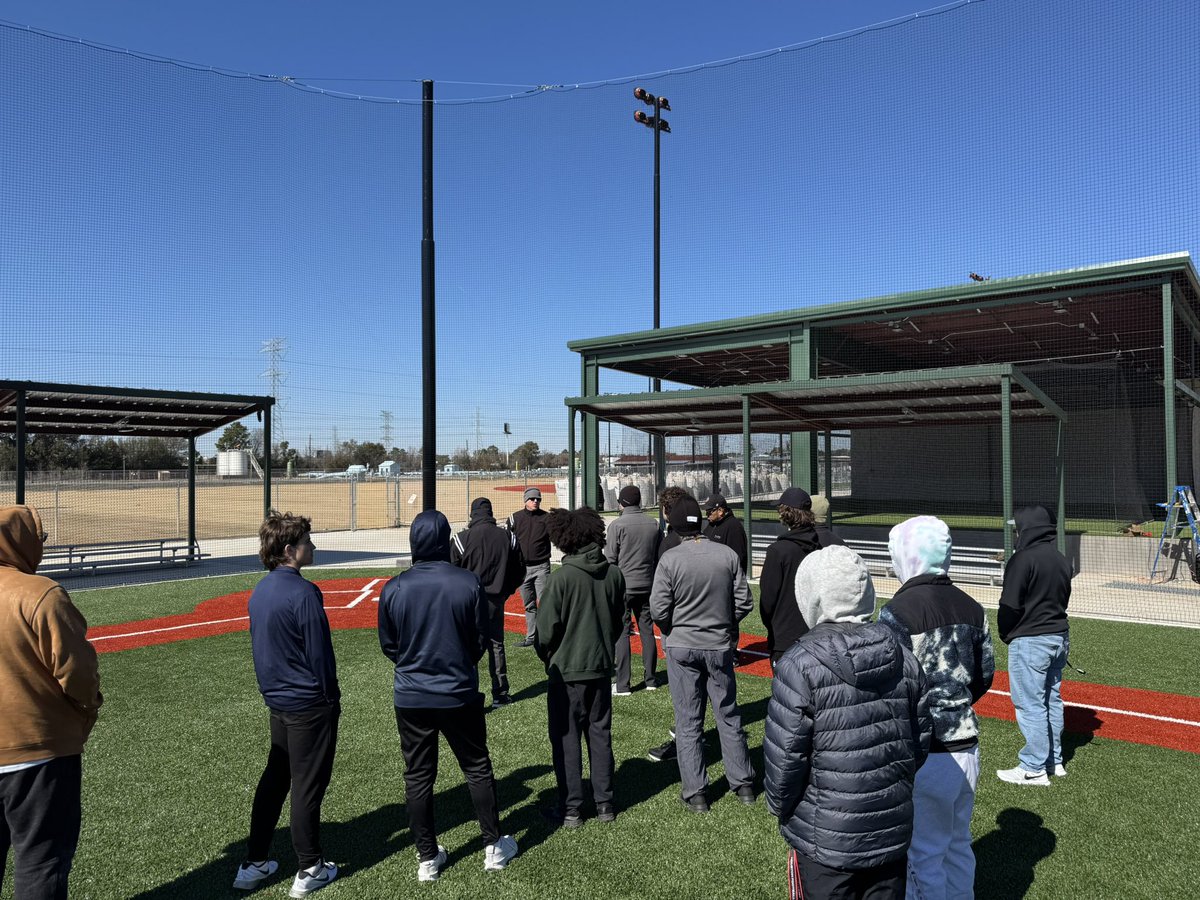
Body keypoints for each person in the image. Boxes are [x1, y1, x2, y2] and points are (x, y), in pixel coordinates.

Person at [766, 545, 931, 900]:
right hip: (888, 831)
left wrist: (782, 808)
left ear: (811, 597)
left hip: (826, 840)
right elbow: (919, 744)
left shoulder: (798, 664)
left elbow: (785, 763)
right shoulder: (903, 655)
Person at [379, 509, 519, 881]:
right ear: (444, 542)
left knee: (419, 776)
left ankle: (427, 856)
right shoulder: (467, 582)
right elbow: (478, 640)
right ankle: (493, 846)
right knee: (476, 767)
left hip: (411, 696)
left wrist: (415, 665)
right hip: (458, 691)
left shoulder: (393, 587)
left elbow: (389, 645)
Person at [879, 515, 995, 900]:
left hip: (924, 751)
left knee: (922, 854)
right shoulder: (974, 609)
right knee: (958, 844)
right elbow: (984, 677)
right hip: (966, 744)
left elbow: (891, 687)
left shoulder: (896, 613)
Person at [235, 511, 340, 897]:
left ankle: (254, 861)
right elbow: (320, 656)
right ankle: (310, 866)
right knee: (306, 786)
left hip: (278, 703)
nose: (313, 547)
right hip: (309, 705)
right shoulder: (304, 593)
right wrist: (331, 698)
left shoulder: (260, 590)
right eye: (308, 542)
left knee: (276, 779)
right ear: (291, 550)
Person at [0, 505, 102, 900]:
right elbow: (77, 673)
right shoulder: (41, 593)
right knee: (41, 860)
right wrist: (87, 709)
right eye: (38, 538)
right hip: (38, 752)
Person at [650, 496, 755, 812]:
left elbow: (658, 608)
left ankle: (696, 792)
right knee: (728, 713)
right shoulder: (725, 555)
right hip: (718, 644)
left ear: (674, 525)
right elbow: (744, 601)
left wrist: (674, 628)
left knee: (688, 720)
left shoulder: (670, 559)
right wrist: (722, 622)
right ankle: (744, 783)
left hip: (682, 646)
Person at [535, 507, 625, 827]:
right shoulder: (614, 574)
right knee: (600, 736)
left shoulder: (562, 580)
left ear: (564, 538)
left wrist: (548, 656)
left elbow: (545, 632)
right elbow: (618, 623)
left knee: (566, 739)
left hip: (567, 672)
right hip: (600, 669)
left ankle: (572, 808)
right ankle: (605, 805)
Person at [996, 504, 1072, 786]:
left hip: (1030, 640)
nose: (1015, 532)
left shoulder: (1022, 559)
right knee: (1052, 699)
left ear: (1026, 528)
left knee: (1030, 704)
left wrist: (1006, 633)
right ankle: (1055, 761)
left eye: (1017, 527)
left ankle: (1033, 768)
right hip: (1059, 637)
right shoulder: (1062, 559)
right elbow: (1062, 601)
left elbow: (1009, 605)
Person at [451, 497, 526, 707]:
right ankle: (500, 693)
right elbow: (520, 568)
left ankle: (469, 693)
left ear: (472, 513)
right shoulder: (507, 536)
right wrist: (506, 590)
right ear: (491, 512)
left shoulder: (461, 538)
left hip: (468, 601)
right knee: (496, 645)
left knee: (468, 646)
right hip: (495, 599)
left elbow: (451, 570)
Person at [759, 487, 845, 667]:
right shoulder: (821, 547)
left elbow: (767, 601)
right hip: (817, 634)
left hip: (785, 638)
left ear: (785, 513)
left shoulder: (778, 551)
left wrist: (773, 627)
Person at [646, 486, 693, 763]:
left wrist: (663, 623)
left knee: (683, 689)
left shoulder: (669, 544)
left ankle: (685, 743)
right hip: (708, 629)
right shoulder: (705, 539)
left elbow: (661, 597)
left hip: (677, 627)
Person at [604, 485, 662, 695]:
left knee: (622, 632)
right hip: (648, 584)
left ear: (622, 502)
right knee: (647, 631)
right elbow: (658, 555)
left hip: (624, 586)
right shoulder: (653, 524)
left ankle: (623, 684)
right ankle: (651, 680)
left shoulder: (617, 525)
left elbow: (610, 559)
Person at [507, 487, 551, 648]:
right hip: (522, 569)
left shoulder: (547, 518)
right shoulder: (514, 518)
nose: (535, 501)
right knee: (529, 605)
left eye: (538, 499)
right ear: (525, 500)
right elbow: (508, 542)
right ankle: (531, 637)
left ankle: (548, 637)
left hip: (541, 567)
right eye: (532, 499)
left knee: (545, 603)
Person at [703, 494, 748, 574]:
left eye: (709, 512)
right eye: (706, 512)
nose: (707, 515)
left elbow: (737, 559)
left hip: (725, 578)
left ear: (720, 511)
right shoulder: (711, 524)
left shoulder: (734, 527)